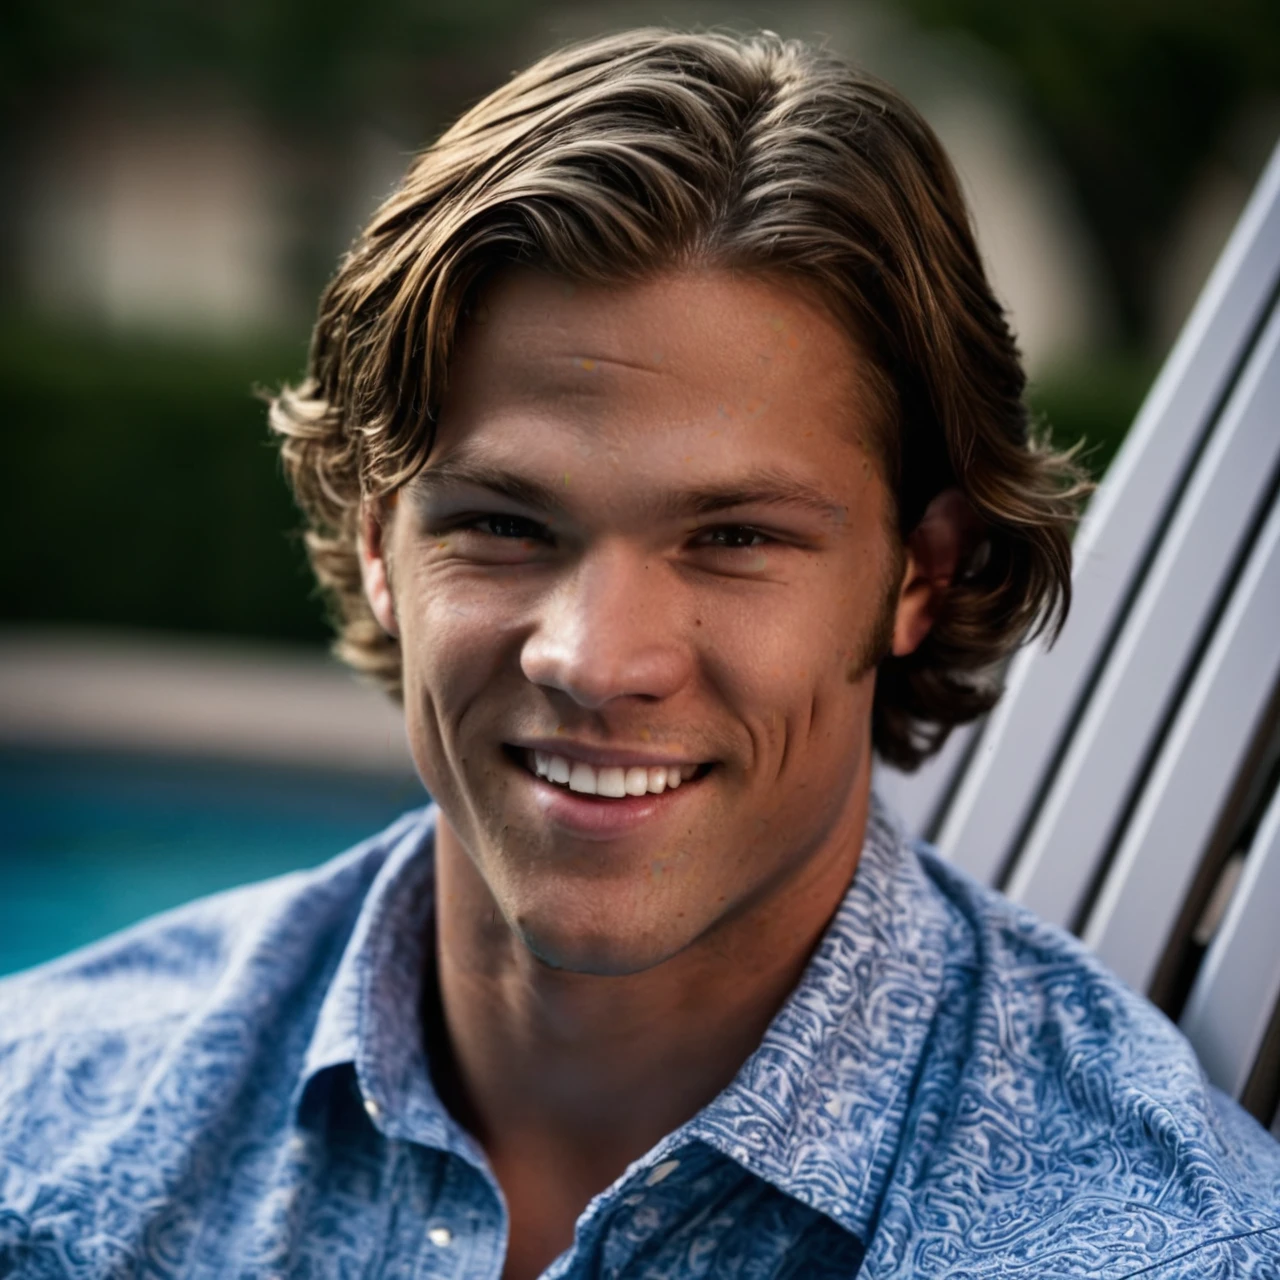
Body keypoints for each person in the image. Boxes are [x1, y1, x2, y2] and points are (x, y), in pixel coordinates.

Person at [1, 28, 1277, 1280]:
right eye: (502, 522)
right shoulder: (43, 1135)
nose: (594, 658)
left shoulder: (1156, 1246)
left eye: (731, 536)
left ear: (918, 576)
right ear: (376, 541)